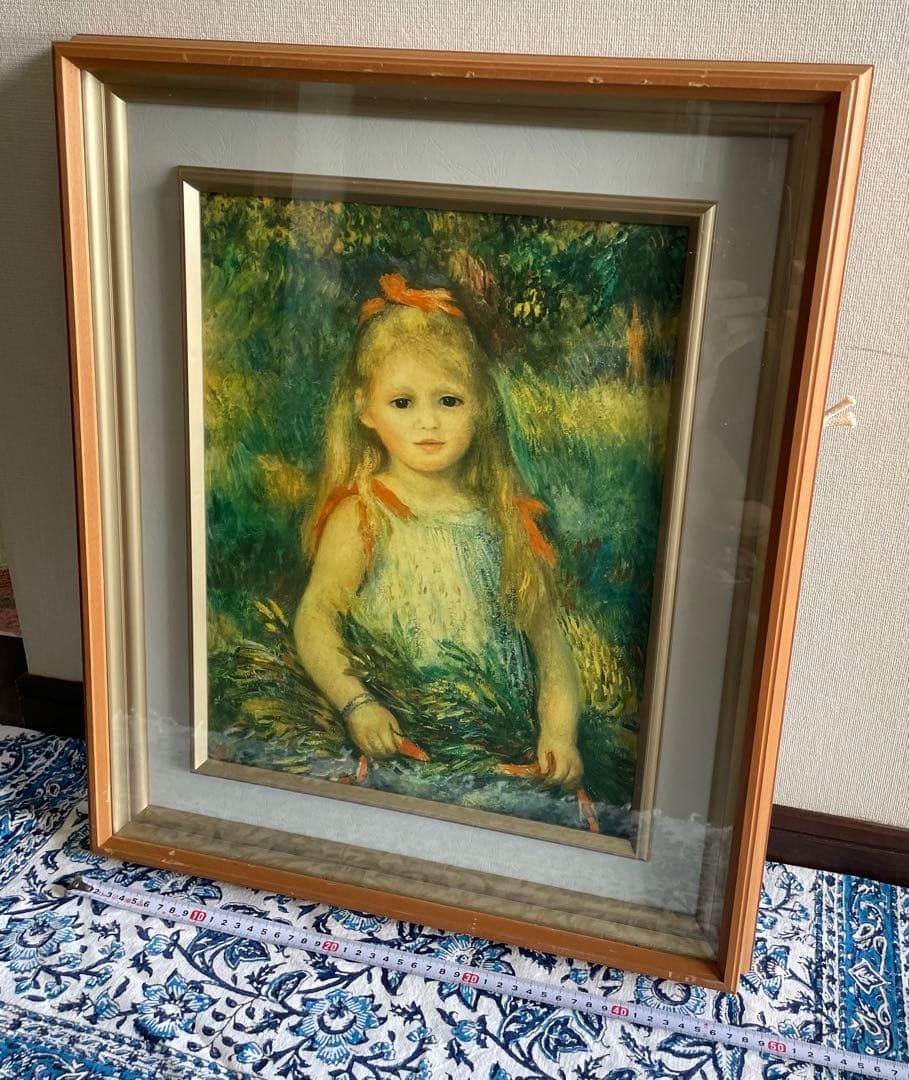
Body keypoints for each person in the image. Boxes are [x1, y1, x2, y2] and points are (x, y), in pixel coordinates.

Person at [293, 272, 583, 790]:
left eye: (449, 400)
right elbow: (316, 618)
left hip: (502, 748)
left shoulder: (506, 518)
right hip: (404, 743)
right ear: (365, 409)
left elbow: (548, 641)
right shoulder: (365, 513)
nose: (428, 422)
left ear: (480, 404)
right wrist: (357, 704)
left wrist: (559, 733)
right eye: (402, 403)